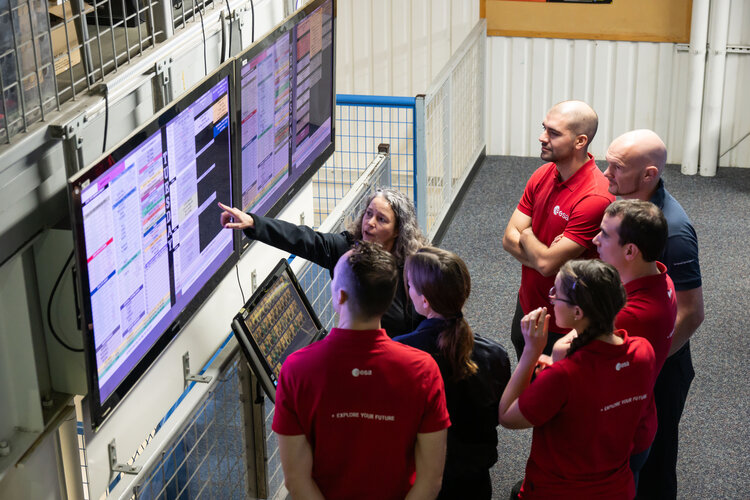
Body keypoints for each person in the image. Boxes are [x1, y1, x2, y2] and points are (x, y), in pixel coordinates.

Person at [272, 241, 451, 500]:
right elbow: (430, 480)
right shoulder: (423, 370)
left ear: (340, 295)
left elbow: (296, 480)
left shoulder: (296, 370)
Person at [602, 130, 704, 499]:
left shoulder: (673, 232)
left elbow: (692, 313)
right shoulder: (624, 206)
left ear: (648, 175)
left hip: (660, 369)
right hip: (633, 357)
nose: (605, 173)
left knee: (655, 464)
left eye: (616, 167)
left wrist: (645, 366)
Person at [499, 259, 656, 499]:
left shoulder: (563, 376)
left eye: (556, 295)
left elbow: (508, 416)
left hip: (557, 490)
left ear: (578, 312)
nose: (551, 300)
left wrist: (531, 353)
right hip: (616, 489)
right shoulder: (643, 352)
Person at [219, 188, 429, 337]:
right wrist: (254, 223)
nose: (370, 223)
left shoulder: (414, 268)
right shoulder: (346, 250)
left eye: (381, 219)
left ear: (399, 230)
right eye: (369, 213)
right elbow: (301, 239)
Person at [393, 247, 511, 500]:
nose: (408, 291)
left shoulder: (399, 353)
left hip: (421, 482)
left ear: (425, 300)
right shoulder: (495, 354)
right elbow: (498, 415)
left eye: (410, 286)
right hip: (475, 482)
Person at [503, 100, 614, 360]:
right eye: (544, 129)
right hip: (528, 305)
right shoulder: (542, 174)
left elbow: (546, 265)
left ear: (580, 141)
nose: (542, 138)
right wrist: (542, 255)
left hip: (563, 323)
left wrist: (527, 234)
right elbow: (509, 239)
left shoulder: (595, 197)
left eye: (553, 133)